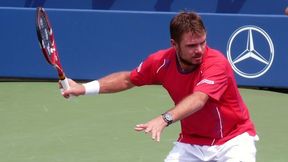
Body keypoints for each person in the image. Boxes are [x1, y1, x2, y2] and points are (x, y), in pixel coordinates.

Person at [61, 11, 258, 162]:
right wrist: (83, 88)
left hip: (233, 141)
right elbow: (128, 79)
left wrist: (165, 119)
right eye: (191, 46)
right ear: (174, 44)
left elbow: (199, 98)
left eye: (202, 43)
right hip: (192, 142)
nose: (199, 50)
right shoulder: (161, 62)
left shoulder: (217, 63)